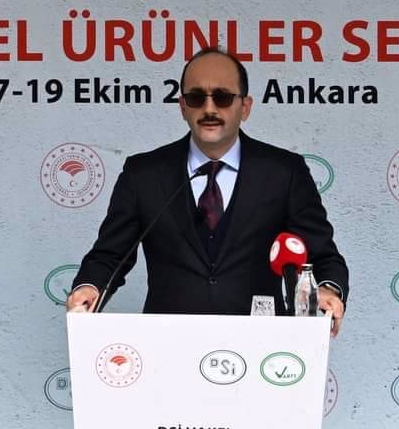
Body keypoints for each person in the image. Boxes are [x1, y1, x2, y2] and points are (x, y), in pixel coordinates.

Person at [66, 48, 348, 336]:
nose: (209, 109)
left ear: (245, 107)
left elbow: (323, 256)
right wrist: (89, 287)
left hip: (261, 346)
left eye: (223, 97)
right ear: (182, 107)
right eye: (196, 97)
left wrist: (327, 289)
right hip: (166, 345)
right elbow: (110, 256)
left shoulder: (284, 172)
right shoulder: (143, 174)